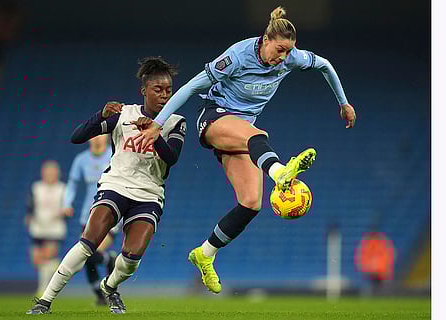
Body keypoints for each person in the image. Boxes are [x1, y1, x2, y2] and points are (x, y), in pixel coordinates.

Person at [134, 6, 357, 294]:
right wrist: (158, 123)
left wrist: (344, 103)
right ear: (266, 40)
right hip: (215, 118)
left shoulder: (289, 59)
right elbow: (190, 87)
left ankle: (205, 254)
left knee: (252, 202)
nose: (284, 57)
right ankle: (281, 173)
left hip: (241, 135)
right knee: (257, 135)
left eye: (289, 52)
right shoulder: (237, 57)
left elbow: (324, 65)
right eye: (279, 50)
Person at [26, 56, 186, 315]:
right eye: (158, 90)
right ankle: (45, 300)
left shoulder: (176, 121)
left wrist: (153, 134)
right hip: (116, 185)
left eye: (169, 90)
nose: (165, 95)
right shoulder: (124, 115)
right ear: (144, 91)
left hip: (149, 193)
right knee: (88, 242)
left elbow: (172, 158)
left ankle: (109, 287)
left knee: (132, 258)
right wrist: (100, 115)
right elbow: (77, 137)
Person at [62, 134, 120, 305]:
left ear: (107, 138)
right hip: (86, 216)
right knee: (87, 258)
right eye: (93, 136)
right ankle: (100, 295)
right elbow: (72, 184)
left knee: (91, 253)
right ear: (89, 139)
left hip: (110, 213)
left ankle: (109, 262)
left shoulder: (114, 154)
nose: (96, 139)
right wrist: (67, 203)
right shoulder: (81, 160)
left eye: (100, 135)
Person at [25, 160, 69, 296]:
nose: (50, 174)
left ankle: (43, 289)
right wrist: (29, 216)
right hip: (38, 227)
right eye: (47, 172)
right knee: (37, 260)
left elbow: (67, 208)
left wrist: (65, 212)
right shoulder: (36, 187)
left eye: (53, 172)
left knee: (47, 256)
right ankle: (58, 266)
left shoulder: (63, 188)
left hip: (55, 228)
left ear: (57, 173)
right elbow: (30, 205)